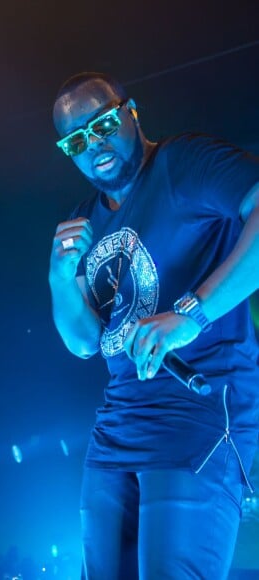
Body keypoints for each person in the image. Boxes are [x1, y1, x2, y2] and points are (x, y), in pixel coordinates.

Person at [48, 72, 259, 578]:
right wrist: (59, 277)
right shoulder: (85, 218)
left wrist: (191, 313)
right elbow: (83, 344)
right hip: (117, 426)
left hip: (202, 412)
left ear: (131, 111)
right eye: (75, 141)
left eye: (100, 125)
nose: (91, 145)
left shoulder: (181, 163)